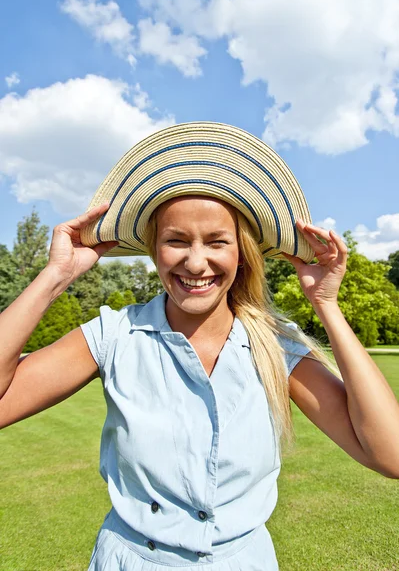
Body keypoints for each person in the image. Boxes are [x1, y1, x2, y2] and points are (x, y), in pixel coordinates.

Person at [1, 122, 398, 571]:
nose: (195, 261)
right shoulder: (114, 335)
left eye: (216, 242)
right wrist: (55, 277)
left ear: (241, 252)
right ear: (154, 250)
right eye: (175, 240)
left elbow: (391, 454)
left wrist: (326, 304)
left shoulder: (274, 345)